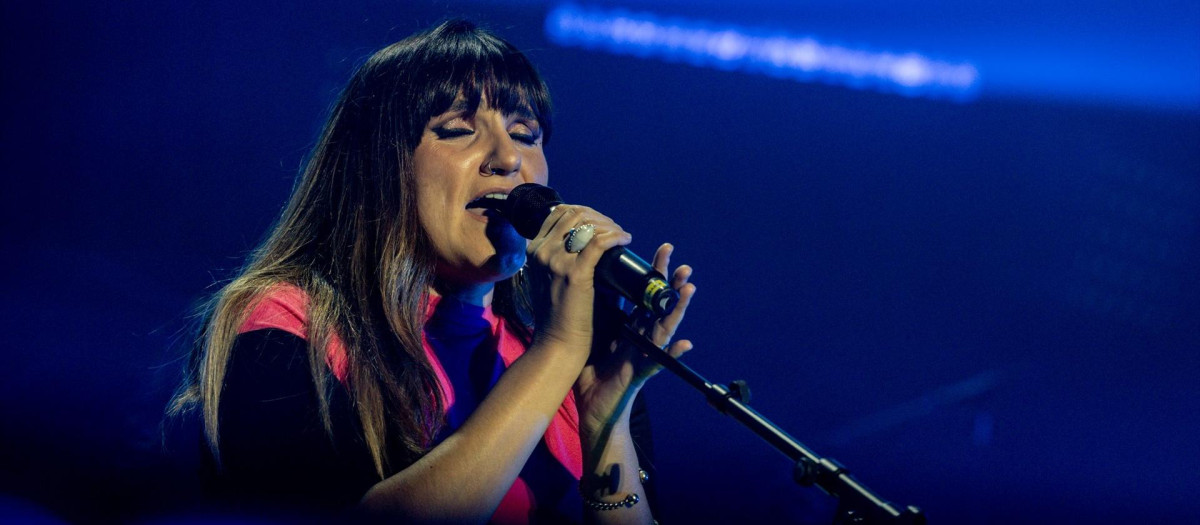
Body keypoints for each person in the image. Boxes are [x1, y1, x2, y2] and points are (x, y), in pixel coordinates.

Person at [168, 19, 696, 524]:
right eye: (458, 130)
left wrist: (605, 420)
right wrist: (556, 353)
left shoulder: (570, 368)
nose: (508, 159)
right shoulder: (290, 325)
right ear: (379, 166)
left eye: (526, 133)